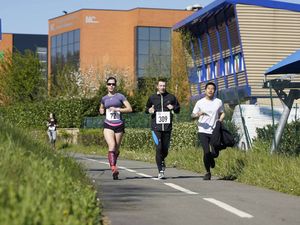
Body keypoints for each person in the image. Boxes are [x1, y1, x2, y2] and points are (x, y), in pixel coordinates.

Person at [145, 79, 180, 179]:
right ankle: (160, 171)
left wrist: (173, 107)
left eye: (164, 86)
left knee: (165, 150)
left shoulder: (171, 97)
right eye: (160, 86)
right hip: (156, 127)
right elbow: (146, 109)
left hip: (167, 128)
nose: (162, 87)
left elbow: (178, 109)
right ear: (157, 86)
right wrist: (149, 110)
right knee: (159, 148)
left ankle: (162, 160)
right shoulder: (152, 97)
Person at [99, 77, 132, 180]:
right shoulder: (104, 98)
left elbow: (130, 109)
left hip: (119, 125)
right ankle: (113, 168)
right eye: (109, 84)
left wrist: (118, 109)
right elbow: (101, 107)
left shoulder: (120, 96)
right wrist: (101, 110)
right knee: (112, 145)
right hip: (108, 124)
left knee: (116, 148)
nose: (111, 86)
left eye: (113, 84)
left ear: (115, 85)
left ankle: (114, 164)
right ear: (106, 86)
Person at [191, 82, 225, 180]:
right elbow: (192, 116)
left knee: (215, 153)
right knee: (206, 152)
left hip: (214, 130)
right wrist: (198, 114)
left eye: (212, 89)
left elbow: (222, 113)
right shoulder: (200, 102)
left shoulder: (218, 101)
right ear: (205, 90)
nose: (210, 90)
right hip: (202, 130)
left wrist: (220, 119)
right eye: (208, 88)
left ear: (214, 91)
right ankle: (207, 172)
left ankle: (211, 158)